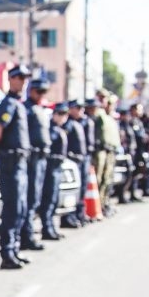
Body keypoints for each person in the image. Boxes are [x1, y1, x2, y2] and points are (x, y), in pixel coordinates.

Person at [0, 64, 32, 270]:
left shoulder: (18, 104)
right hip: (11, 162)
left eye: (25, 79)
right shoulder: (8, 103)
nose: (23, 82)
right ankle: (7, 252)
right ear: (11, 79)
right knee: (12, 208)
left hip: (20, 163)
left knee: (21, 208)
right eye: (20, 78)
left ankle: (14, 249)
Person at [19, 77, 51, 251]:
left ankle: (29, 234)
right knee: (29, 200)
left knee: (35, 198)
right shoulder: (27, 109)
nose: (41, 95)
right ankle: (26, 236)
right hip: (31, 159)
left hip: (41, 158)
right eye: (39, 91)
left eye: (44, 92)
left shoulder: (40, 110)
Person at [38, 102, 69, 239]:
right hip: (51, 168)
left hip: (57, 168)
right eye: (60, 114)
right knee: (49, 199)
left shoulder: (58, 129)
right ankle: (47, 228)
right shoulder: (51, 130)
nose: (63, 117)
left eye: (65, 114)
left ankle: (51, 227)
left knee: (54, 199)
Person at [60, 100, 87, 228]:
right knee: (71, 190)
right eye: (77, 108)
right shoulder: (68, 124)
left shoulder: (77, 122)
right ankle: (68, 218)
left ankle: (77, 215)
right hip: (73, 161)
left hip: (80, 160)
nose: (80, 111)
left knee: (80, 190)